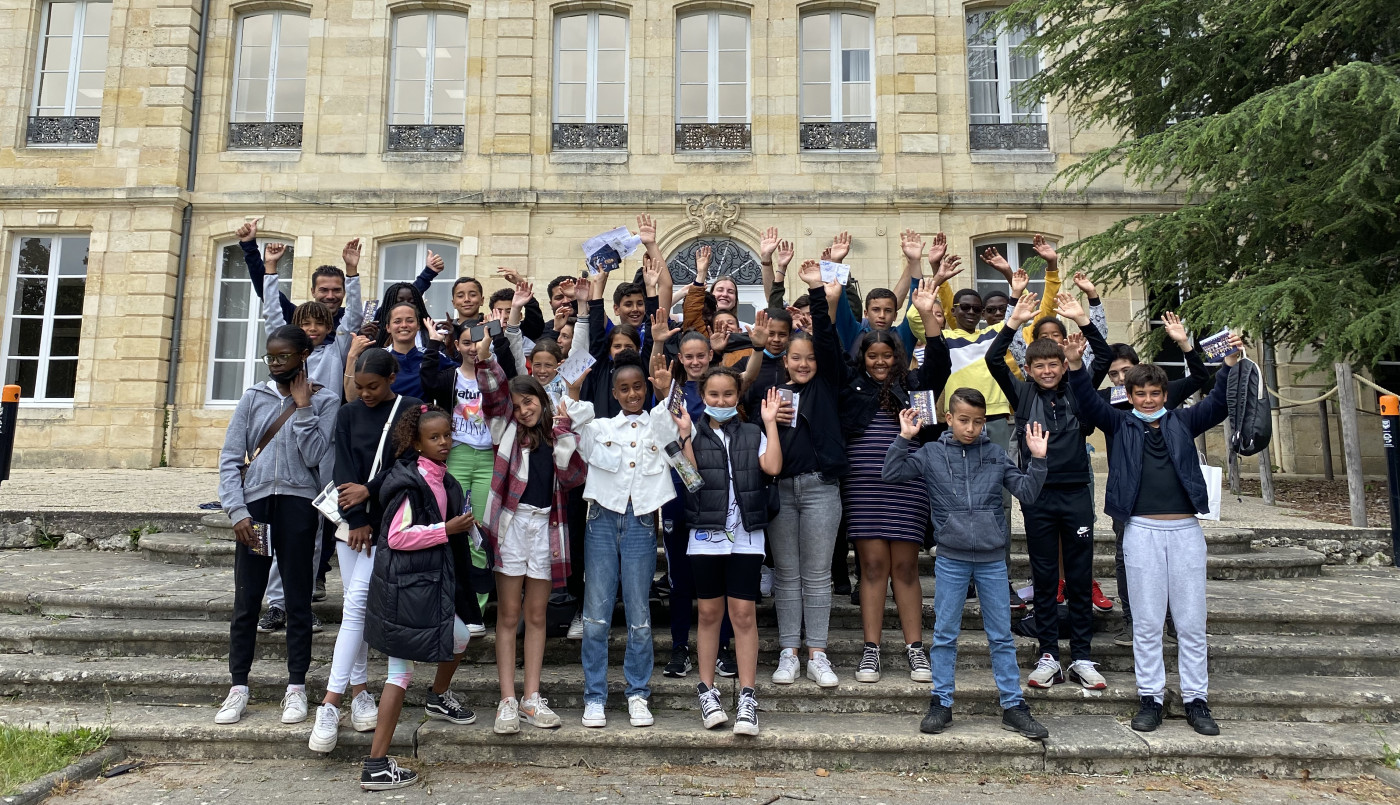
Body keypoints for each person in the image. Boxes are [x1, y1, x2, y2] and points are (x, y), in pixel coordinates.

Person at [1067, 329, 1245, 737]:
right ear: (1129, 396)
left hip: (1184, 530)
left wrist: (1230, 362)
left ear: (1165, 394)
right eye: (1140, 394)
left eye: (1154, 393)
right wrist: (1076, 364)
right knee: (1147, 621)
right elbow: (1087, 401)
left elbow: (1217, 401)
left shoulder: (1184, 419)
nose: (1148, 400)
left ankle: (1196, 699)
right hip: (1140, 531)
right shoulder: (1119, 423)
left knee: (1190, 621)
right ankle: (1151, 697)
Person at [882, 388, 1051, 740]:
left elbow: (1028, 493)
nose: (971, 428)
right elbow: (891, 473)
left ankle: (1013, 705)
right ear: (949, 419)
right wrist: (903, 437)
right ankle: (941, 702)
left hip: (991, 560)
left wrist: (1037, 459)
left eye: (977, 421)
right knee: (945, 635)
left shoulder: (994, 454)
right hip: (951, 558)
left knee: (1001, 636)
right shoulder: (929, 453)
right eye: (963, 420)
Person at [988, 291, 1112, 691]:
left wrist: (1084, 320)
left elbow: (1105, 359)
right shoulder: (1022, 393)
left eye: (1052, 364)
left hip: (1075, 495)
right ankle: (1047, 654)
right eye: (1038, 365)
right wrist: (1012, 323)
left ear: (1062, 365)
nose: (1046, 371)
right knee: (1043, 577)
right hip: (1038, 496)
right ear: (1029, 367)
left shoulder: (1078, 387)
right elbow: (993, 360)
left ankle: (1081, 656)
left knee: (1077, 577)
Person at [215, 326, 337, 727]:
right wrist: (237, 512)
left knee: (298, 600)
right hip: (255, 510)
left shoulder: (326, 400)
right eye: (271, 357)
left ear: (304, 355)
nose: (276, 363)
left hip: (299, 507)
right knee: (247, 599)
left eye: (284, 356)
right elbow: (231, 457)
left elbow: (320, 458)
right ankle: (238, 687)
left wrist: (303, 409)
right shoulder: (253, 397)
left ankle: (296, 687)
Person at [836, 275, 952, 684]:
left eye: (887, 356)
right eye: (873, 357)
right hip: (864, 489)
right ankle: (871, 650)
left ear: (897, 356)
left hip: (908, 487)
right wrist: (829, 298)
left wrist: (926, 316)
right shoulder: (849, 387)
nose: (880, 362)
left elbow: (941, 364)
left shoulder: (913, 385)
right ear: (863, 358)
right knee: (871, 566)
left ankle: (915, 649)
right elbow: (826, 353)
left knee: (905, 568)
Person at [360, 404, 481, 791]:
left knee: (460, 636)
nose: (444, 442)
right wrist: (447, 528)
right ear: (417, 442)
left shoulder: (440, 478)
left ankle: (437, 696)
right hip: (404, 592)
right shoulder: (410, 483)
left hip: (422, 587)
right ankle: (376, 765)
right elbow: (395, 537)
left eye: (447, 435)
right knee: (400, 674)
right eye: (434, 437)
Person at [307, 348, 421, 753]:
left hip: (389, 520)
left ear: (392, 377)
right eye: (358, 385)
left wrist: (370, 494)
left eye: (373, 386)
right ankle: (358, 693)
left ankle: (330, 704)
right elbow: (341, 466)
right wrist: (356, 518)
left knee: (356, 605)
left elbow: (407, 465)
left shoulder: (411, 409)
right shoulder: (348, 412)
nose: (365, 393)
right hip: (352, 523)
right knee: (354, 608)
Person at [744, 258, 849, 687]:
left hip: (822, 489)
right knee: (786, 573)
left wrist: (820, 295)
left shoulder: (828, 386)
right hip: (781, 489)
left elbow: (825, 339)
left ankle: (818, 652)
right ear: (784, 361)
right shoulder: (771, 394)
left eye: (809, 359)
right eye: (796, 358)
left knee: (818, 574)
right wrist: (771, 420)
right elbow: (756, 441)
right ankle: (789, 650)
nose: (804, 364)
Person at [566, 350, 680, 729]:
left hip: (642, 523)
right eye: (624, 389)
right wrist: (574, 391)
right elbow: (575, 428)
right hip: (601, 520)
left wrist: (665, 393)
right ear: (613, 393)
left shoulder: (657, 424)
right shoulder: (600, 428)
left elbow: (672, 432)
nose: (632, 395)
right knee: (595, 615)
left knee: (640, 616)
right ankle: (594, 697)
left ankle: (637, 694)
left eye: (638, 388)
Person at [668, 366, 783, 736]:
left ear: (737, 397)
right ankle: (707, 691)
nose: (721, 401)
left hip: (747, 537)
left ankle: (748, 696)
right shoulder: (693, 432)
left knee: (744, 614)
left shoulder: (752, 432)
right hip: (705, 537)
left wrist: (771, 424)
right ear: (703, 396)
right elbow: (690, 477)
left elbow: (773, 466)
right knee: (708, 613)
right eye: (714, 395)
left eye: (728, 395)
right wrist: (686, 434)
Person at [481, 373, 588, 734]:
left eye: (529, 401)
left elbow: (575, 478)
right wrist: (485, 356)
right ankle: (507, 699)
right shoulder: (506, 434)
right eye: (516, 405)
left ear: (542, 399)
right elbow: (493, 395)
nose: (523, 410)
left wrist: (569, 422)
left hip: (548, 528)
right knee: (509, 615)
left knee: (537, 616)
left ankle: (531, 697)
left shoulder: (557, 437)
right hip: (513, 527)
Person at [1099, 312, 1212, 645]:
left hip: (1169, 496)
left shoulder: (1160, 395)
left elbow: (1201, 377)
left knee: (1173, 566)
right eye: (1113, 374)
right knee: (1127, 559)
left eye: (1125, 371)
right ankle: (1134, 620)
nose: (1120, 378)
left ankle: (1176, 622)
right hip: (1129, 493)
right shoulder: (1108, 402)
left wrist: (1184, 344)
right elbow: (1084, 397)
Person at [647, 324, 737, 679]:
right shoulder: (673, 394)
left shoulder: (720, 391)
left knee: (719, 575)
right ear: (680, 359)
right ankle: (680, 646)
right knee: (680, 577)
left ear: (711, 355)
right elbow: (661, 433)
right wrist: (660, 392)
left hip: (716, 496)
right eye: (690, 356)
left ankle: (723, 647)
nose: (697, 361)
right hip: (676, 496)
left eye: (702, 355)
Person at [236, 219, 363, 342]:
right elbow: (267, 294)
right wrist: (249, 246)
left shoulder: (350, 321)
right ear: (313, 291)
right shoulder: (295, 315)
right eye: (323, 290)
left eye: (336, 290)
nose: (330, 296)